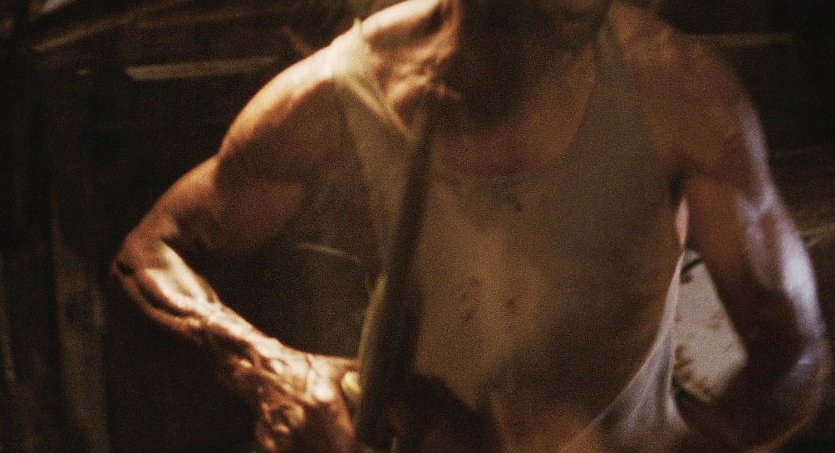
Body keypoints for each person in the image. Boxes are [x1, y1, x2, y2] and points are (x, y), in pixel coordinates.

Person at [110, 0, 831, 451]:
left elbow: (793, 355)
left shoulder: (680, 93)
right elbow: (148, 253)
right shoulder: (333, 98)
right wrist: (269, 371)